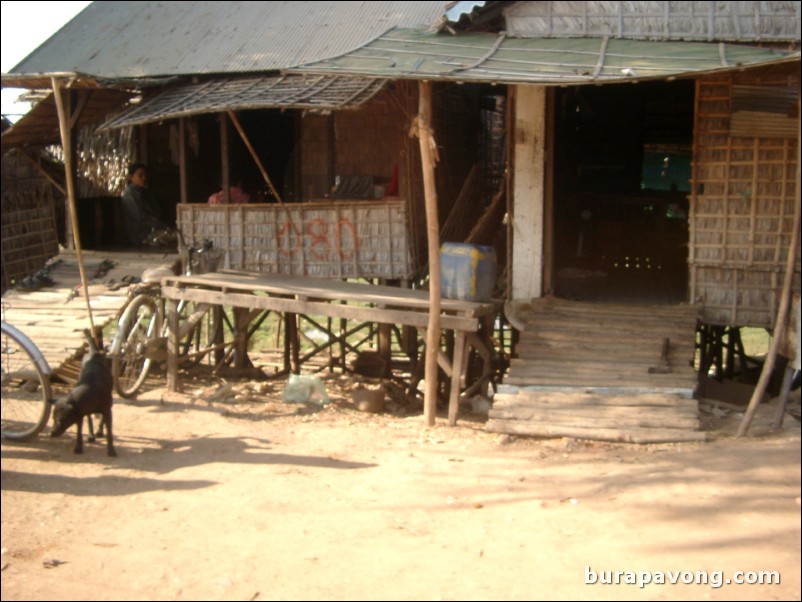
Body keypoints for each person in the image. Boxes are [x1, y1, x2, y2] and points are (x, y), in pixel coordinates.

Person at [121, 162, 167, 246]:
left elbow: (157, 211)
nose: (144, 178)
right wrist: (160, 225)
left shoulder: (145, 191)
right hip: (141, 235)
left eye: (145, 175)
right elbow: (140, 218)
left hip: (154, 229)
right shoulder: (130, 194)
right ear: (131, 177)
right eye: (140, 175)